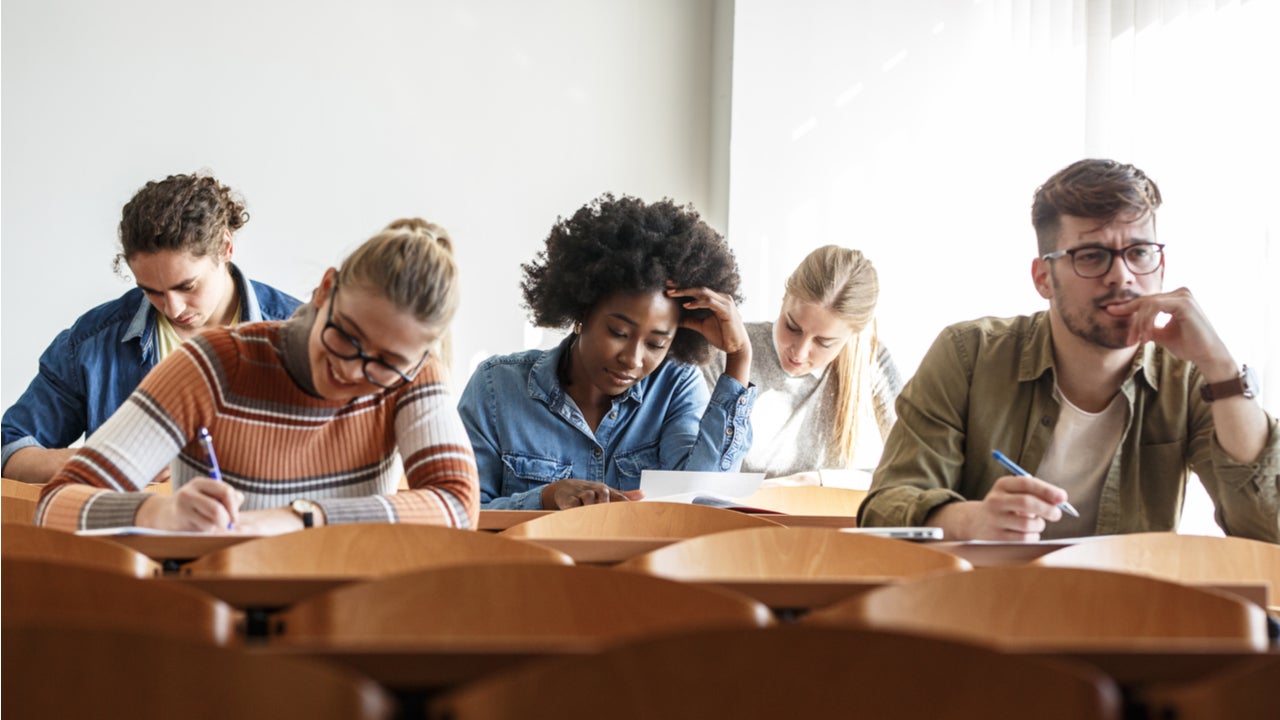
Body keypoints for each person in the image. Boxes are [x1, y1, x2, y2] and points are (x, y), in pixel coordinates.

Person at [859, 159, 1279, 542]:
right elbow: (883, 510)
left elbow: (1266, 530)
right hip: (985, 607)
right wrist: (971, 520)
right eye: (1092, 256)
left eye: (1139, 253)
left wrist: (1222, 369)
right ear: (1043, 277)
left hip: (1126, 615)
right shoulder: (968, 356)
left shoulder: (1190, 378)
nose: (1122, 276)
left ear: (1161, 267)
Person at [35, 218, 478, 534]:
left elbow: (458, 506)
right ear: (326, 289)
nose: (351, 368)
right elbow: (56, 504)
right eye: (347, 336)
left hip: (348, 625)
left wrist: (303, 517)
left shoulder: (414, 376)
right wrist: (156, 513)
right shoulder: (214, 363)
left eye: (385, 363)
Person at [458, 193, 756, 510]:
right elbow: (462, 517)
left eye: (656, 344)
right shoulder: (496, 387)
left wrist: (739, 357)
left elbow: (703, 504)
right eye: (618, 332)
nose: (632, 358)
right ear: (582, 312)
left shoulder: (675, 386)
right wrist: (544, 498)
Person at [2, 173, 301, 483]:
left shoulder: (300, 335)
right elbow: (10, 451)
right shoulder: (92, 343)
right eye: (151, 291)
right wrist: (103, 459)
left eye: (186, 286)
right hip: (132, 529)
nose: (173, 309)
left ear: (225, 247)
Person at [703, 245, 902, 486]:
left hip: (827, 518)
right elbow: (696, 471)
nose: (799, 351)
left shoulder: (871, 362)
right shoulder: (725, 350)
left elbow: (909, 471)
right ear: (784, 298)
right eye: (792, 327)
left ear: (852, 335)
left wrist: (815, 481)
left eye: (824, 342)